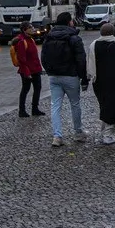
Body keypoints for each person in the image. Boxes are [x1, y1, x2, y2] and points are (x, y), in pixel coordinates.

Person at [41, 11, 89, 147]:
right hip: (71, 76)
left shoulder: (48, 37)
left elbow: (43, 58)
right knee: (75, 104)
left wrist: (50, 70)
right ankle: (78, 133)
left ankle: (57, 136)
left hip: (54, 76)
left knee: (55, 106)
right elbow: (81, 60)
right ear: (69, 22)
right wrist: (83, 78)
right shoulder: (74, 38)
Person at [87, 23, 115, 145]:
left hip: (98, 82)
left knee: (105, 105)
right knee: (113, 107)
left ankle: (105, 129)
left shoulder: (94, 45)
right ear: (113, 33)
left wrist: (87, 79)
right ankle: (108, 134)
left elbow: (90, 63)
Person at [10, 22, 45, 118]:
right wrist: (27, 72)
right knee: (25, 89)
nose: (33, 29)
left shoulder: (31, 39)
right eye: (31, 27)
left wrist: (39, 68)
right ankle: (22, 110)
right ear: (25, 30)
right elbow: (22, 59)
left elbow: (34, 57)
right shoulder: (22, 41)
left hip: (35, 69)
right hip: (27, 71)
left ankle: (35, 108)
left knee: (38, 88)